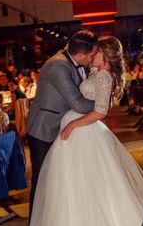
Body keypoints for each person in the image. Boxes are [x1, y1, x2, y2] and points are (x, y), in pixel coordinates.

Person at [23, 36, 143, 226]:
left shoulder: (103, 75)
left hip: (82, 133)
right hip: (60, 130)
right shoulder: (78, 68)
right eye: (91, 52)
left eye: (95, 53)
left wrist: (74, 122)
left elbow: (99, 110)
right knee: (65, 188)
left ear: (102, 54)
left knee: (86, 189)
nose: (91, 57)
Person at [26, 30, 98, 213]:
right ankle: (36, 223)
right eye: (92, 55)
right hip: (44, 129)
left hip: (61, 126)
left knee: (59, 178)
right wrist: (103, 104)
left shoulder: (73, 60)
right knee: (42, 179)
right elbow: (79, 104)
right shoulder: (58, 66)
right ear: (81, 54)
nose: (93, 58)